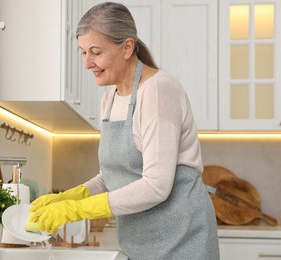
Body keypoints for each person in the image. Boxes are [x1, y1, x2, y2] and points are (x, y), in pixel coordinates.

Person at [26, 2, 219, 259]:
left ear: (127, 47)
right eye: (82, 52)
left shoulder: (158, 91)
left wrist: (77, 210)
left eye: (95, 52)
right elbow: (112, 176)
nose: (87, 63)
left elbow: (156, 186)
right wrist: (68, 198)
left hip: (182, 239)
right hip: (139, 241)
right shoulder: (110, 99)